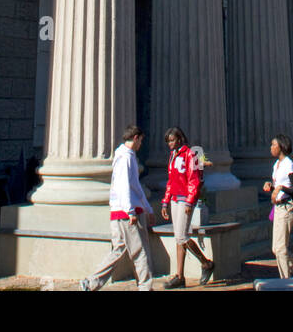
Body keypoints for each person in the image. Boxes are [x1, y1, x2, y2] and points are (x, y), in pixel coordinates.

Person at [81, 125, 155, 291]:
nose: (141, 144)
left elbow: (134, 186)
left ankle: (91, 283)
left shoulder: (125, 156)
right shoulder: (126, 157)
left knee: (118, 249)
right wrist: (130, 211)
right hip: (126, 211)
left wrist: (148, 208)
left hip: (119, 210)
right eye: (140, 140)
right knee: (140, 251)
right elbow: (125, 186)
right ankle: (145, 287)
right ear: (135, 138)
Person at [160, 126, 214, 289]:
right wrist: (165, 201)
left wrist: (190, 201)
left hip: (185, 199)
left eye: (172, 140)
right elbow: (170, 180)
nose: (170, 143)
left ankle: (206, 263)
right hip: (175, 199)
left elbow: (194, 179)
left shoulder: (190, 154)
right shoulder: (173, 155)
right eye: (168, 141)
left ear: (180, 139)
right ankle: (179, 275)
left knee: (182, 236)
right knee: (178, 237)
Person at [262, 133, 293, 279]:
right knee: (276, 248)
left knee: (280, 248)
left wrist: (280, 188)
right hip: (278, 207)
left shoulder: (288, 164)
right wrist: (272, 187)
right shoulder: (276, 165)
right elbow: (280, 187)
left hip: (287, 207)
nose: (271, 147)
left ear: (281, 147)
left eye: (274, 145)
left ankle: (286, 282)